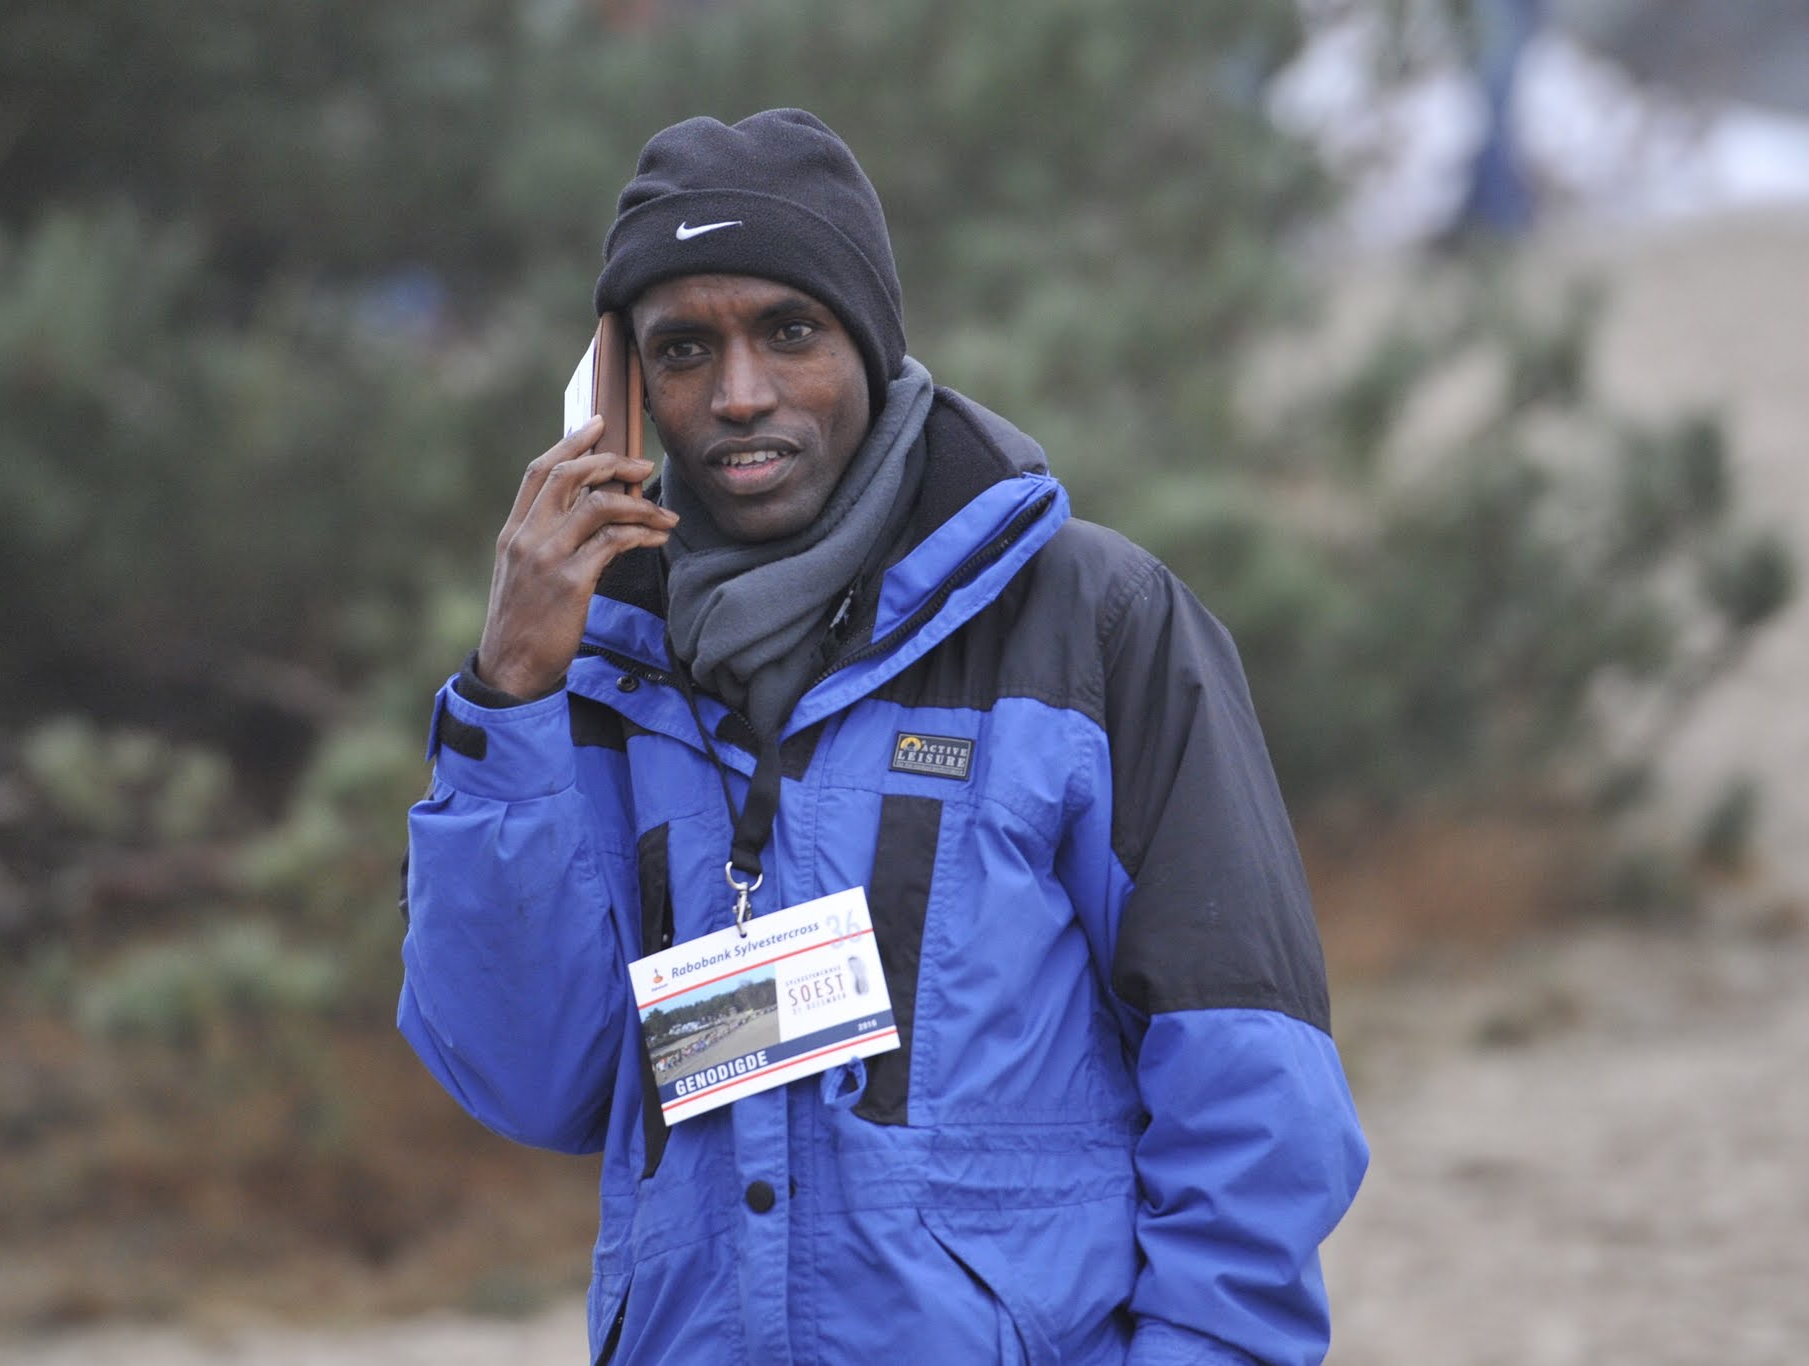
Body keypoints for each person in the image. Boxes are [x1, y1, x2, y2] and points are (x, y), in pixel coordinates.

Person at [399, 108, 1367, 1365]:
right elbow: (531, 1080)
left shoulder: (1094, 623)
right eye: (683, 348)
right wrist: (509, 696)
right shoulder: (587, 673)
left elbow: (1249, 1083)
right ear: (621, 393)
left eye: (788, 331)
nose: (739, 394)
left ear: (870, 339)